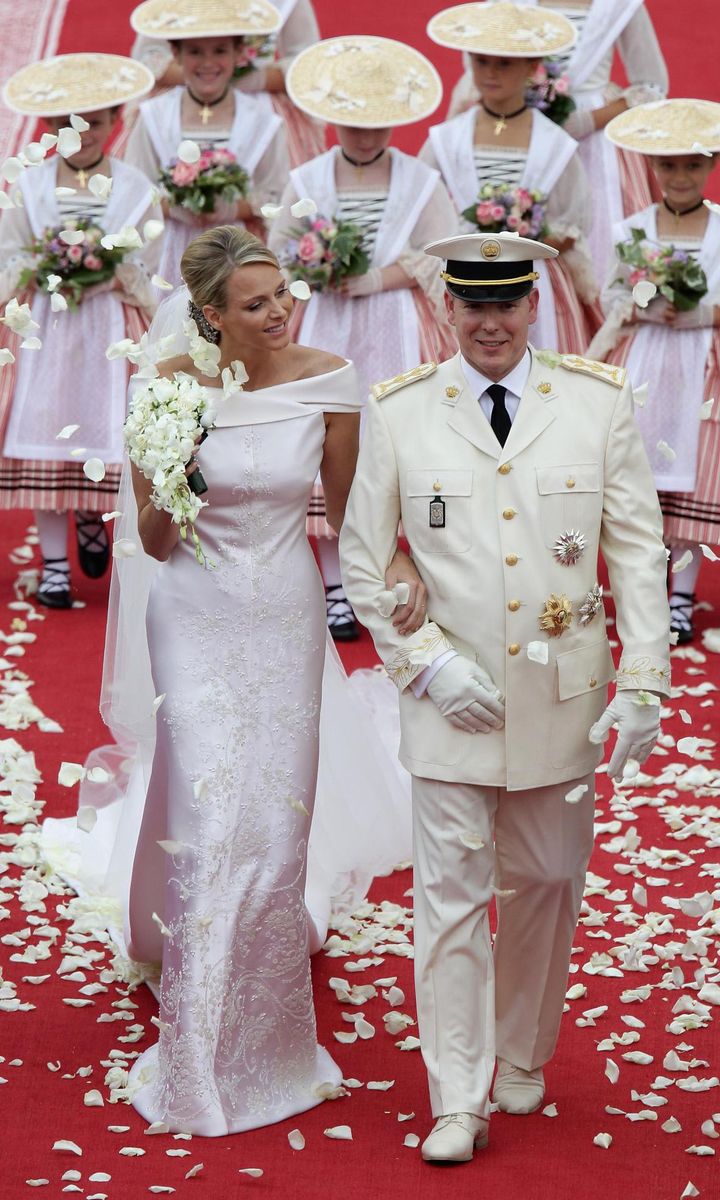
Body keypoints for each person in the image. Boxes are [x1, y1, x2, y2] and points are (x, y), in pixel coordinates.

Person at [42, 225, 425, 1136]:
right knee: (215, 815)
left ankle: (268, 1023)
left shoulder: (329, 378)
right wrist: (178, 470)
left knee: (274, 814)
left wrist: (402, 583)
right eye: (256, 304)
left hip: (284, 609)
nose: (280, 311)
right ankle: (198, 1044)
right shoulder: (166, 386)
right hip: (193, 612)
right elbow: (157, 537)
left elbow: (353, 514)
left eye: (282, 295)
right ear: (212, 316)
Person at [340, 231, 671, 1163]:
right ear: (449, 310)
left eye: (507, 305)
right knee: (447, 896)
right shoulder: (400, 411)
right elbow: (365, 555)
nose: (490, 323)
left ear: (535, 307)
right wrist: (424, 663)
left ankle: (521, 1052)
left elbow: (637, 547)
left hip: (561, 693)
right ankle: (457, 1097)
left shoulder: (594, 403)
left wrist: (645, 677)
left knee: (550, 882)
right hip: (449, 699)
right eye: (472, 306)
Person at [269, 34, 457, 640]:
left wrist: (379, 276)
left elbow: (441, 255)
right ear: (330, 118)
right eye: (352, 121)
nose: (366, 134)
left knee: (397, 440)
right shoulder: (304, 177)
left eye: (379, 123)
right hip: (321, 325)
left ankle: (410, 570)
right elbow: (276, 259)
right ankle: (335, 583)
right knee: (321, 441)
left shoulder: (421, 181)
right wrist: (310, 272)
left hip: (398, 323)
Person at [0, 53, 161, 608]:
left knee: (105, 426)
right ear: (47, 128)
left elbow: (152, 266)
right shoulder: (30, 185)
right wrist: (42, 269)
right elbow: (10, 249)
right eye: (66, 123)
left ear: (116, 119)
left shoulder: (137, 188)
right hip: (46, 328)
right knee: (49, 425)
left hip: (111, 327)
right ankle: (53, 564)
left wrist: (110, 270)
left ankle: (95, 515)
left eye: (93, 120)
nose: (81, 134)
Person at [588, 99, 720, 644]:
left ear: (710, 165)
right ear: (652, 168)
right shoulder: (634, 228)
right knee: (639, 479)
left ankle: (683, 597)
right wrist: (641, 308)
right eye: (668, 165)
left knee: (691, 477)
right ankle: (642, 589)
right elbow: (609, 291)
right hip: (643, 364)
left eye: (693, 164)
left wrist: (704, 313)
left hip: (701, 368)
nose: (681, 176)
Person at [445, 0, 669, 282]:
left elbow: (651, 86)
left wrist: (588, 120)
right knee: (505, 228)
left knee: (592, 241)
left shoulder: (620, 4)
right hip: (516, 133)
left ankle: (576, 315)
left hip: (595, 149)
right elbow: (481, 68)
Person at [422, 1, 599, 355]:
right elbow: (422, 208)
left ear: (531, 67)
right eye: (481, 62)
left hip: (535, 285)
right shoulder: (447, 138)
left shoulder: (554, 143)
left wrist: (527, 237)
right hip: (463, 282)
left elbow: (573, 224)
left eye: (504, 63)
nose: (491, 73)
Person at [124, 0, 289, 287]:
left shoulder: (264, 122)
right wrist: (176, 207)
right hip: (168, 255)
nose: (208, 63)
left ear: (240, 53)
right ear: (176, 53)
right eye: (195, 52)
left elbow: (276, 197)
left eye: (220, 51)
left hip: (239, 254)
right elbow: (134, 191)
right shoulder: (153, 117)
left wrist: (230, 210)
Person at [127, 0, 325, 167]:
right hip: (182, 102)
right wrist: (202, 75)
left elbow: (308, 65)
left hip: (260, 105)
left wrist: (252, 78)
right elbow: (147, 59)